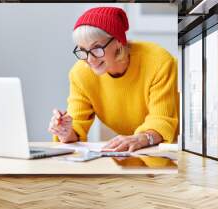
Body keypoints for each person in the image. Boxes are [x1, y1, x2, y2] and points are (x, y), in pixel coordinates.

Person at [48, 6, 179, 152]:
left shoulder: (158, 62)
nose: (90, 59)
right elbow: (76, 127)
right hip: (138, 149)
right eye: (83, 50)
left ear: (118, 41)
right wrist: (65, 131)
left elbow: (162, 119)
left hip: (176, 143)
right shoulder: (80, 74)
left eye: (97, 48)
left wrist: (143, 138)